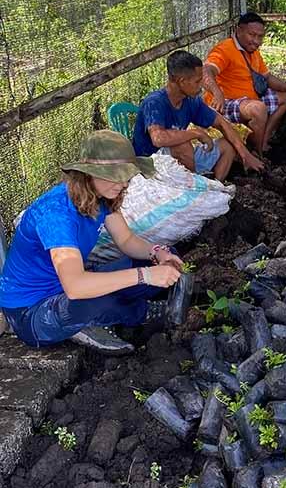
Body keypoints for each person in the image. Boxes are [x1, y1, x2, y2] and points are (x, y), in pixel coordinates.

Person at [0, 130, 184, 355]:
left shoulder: (101, 196)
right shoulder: (55, 215)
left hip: (67, 285)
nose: (124, 183)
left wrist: (158, 253)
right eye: (116, 175)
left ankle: (110, 313)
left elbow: (126, 240)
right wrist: (146, 276)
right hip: (31, 312)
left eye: (126, 175)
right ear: (88, 174)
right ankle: (141, 313)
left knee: (159, 258)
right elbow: (76, 287)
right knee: (91, 301)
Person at [133, 50, 264, 180]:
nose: (201, 85)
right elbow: (158, 139)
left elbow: (222, 123)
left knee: (227, 145)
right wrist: (196, 133)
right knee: (182, 145)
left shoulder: (191, 101)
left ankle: (217, 185)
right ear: (182, 81)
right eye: (198, 81)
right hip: (150, 163)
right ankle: (196, 188)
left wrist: (245, 155)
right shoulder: (154, 102)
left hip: (177, 159)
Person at [202, 12, 286, 153]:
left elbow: (267, 77)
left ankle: (262, 142)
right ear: (239, 30)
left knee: (285, 98)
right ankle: (256, 153)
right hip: (226, 102)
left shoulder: (253, 52)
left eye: (260, 36)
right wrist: (217, 92)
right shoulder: (224, 49)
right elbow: (205, 70)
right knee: (258, 109)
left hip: (250, 99)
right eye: (252, 35)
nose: (256, 41)